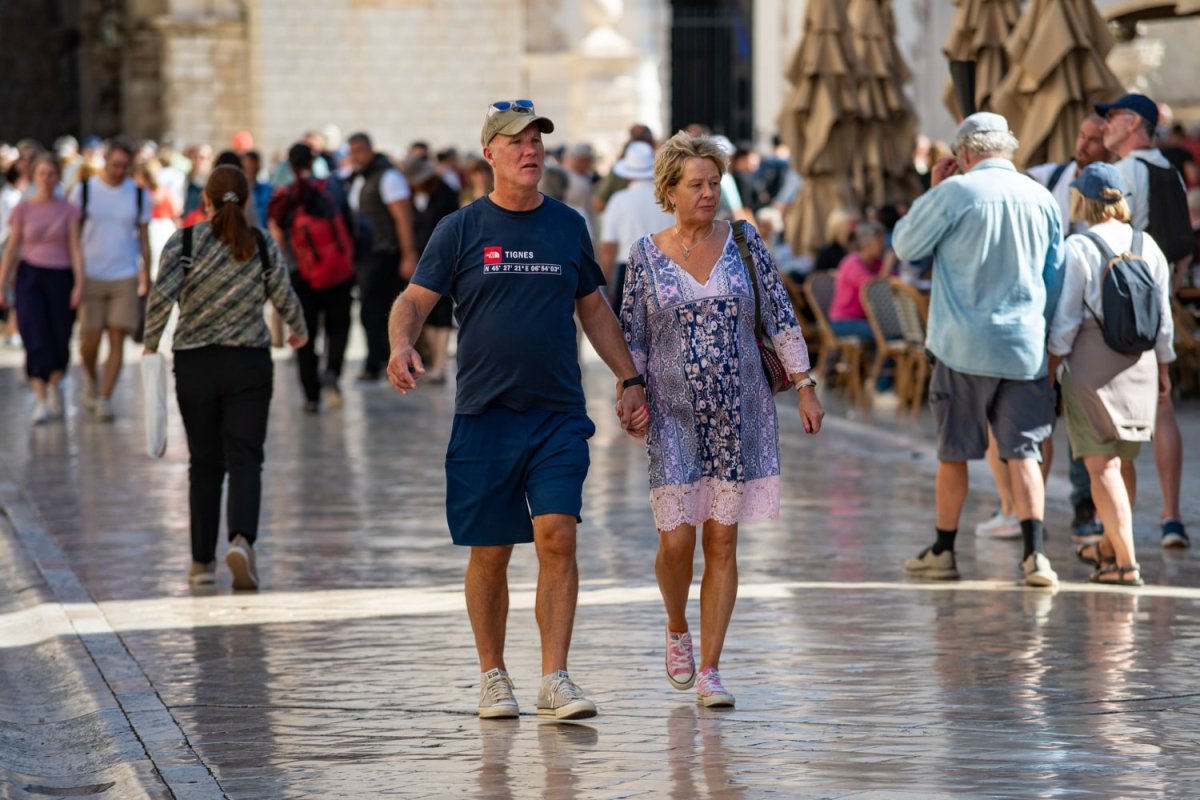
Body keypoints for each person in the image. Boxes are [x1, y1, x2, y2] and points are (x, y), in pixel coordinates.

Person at [385, 99, 647, 721]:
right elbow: (414, 300)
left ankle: (555, 677)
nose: (530, 150)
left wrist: (630, 378)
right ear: (490, 155)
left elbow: (595, 310)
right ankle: (493, 674)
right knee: (492, 550)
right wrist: (400, 343)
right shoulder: (461, 229)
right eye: (516, 141)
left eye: (537, 139)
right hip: (485, 414)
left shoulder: (568, 225)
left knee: (557, 535)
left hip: (556, 412)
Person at [620, 131, 823, 709]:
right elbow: (631, 332)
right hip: (673, 415)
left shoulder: (745, 241)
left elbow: (780, 314)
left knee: (722, 540)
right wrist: (629, 390)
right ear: (670, 191)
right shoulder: (645, 254)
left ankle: (710, 669)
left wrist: (804, 385)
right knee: (677, 542)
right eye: (697, 185)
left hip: (741, 412)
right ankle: (676, 625)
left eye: (714, 183)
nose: (709, 194)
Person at [892, 112, 1064, 587]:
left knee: (954, 454)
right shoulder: (1042, 198)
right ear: (1006, 148)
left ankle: (944, 551)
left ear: (963, 153)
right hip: (1024, 345)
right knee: (1024, 452)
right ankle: (1035, 556)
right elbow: (1056, 275)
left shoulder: (955, 193)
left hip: (962, 345)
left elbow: (906, 245)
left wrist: (932, 189)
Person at [143, 165, 307, 590]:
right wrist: (299, 329)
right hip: (248, 363)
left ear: (206, 201)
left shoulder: (185, 243)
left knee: (204, 462)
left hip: (195, 364)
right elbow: (284, 296)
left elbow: (161, 299)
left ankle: (201, 563)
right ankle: (241, 540)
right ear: (248, 200)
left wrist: (148, 345)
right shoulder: (261, 245)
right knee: (246, 457)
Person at [1048, 163, 1175, 585]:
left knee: (1101, 466)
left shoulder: (1079, 246)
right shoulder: (1148, 244)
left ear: (1082, 199)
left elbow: (1066, 321)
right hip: (1140, 363)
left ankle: (1126, 561)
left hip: (1092, 365)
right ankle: (1108, 548)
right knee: (1123, 464)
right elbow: (1165, 318)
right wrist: (1164, 367)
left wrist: (1051, 367)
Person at [1097, 92, 1191, 549]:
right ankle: (1171, 516)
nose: (1104, 127)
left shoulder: (1124, 172)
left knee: (1119, 418)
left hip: (1123, 305)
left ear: (1133, 121)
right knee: (1163, 407)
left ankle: (1121, 524)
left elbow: (1108, 236)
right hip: (1162, 301)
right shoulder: (1169, 170)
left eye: (1111, 118)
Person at [267, 143, 355, 412]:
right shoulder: (331, 188)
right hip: (337, 271)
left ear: (290, 164)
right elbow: (350, 223)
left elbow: (277, 238)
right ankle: (332, 371)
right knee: (338, 326)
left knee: (304, 334)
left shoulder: (283, 197)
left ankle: (311, 396)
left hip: (301, 275)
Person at [70, 139, 152, 422]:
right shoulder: (85, 191)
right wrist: (76, 274)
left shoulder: (138, 195)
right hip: (91, 273)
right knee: (89, 340)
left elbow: (143, 237)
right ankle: (91, 379)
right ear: (105, 161)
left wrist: (147, 274)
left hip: (125, 274)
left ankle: (105, 398)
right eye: (115, 165)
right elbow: (73, 235)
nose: (119, 171)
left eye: (124, 167)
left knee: (118, 337)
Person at [0, 155, 84, 424]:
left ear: (58, 177)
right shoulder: (23, 209)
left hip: (61, 276)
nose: (46, 179)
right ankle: (39, 398)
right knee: (34, 334)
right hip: (30, 276)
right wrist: (2, 282)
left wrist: (80, 283)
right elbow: (12, 248)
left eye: (51, 174)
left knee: (60, 336)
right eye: (42, 173)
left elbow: (74, 248)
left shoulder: (68, 209)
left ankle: (54, 385)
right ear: (34, 177)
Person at [347, 132, 418, 381]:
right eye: (352, 151)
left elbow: (403, 218)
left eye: (359, 151)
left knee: (385, 311)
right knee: (370, 311)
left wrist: (409, 255)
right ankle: (377, 360)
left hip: (386, 254)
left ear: (369, 150)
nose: (355, 156)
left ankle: (379, 362)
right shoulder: (361, 178)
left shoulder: (388, 177)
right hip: (367, 255)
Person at [403, 156, 460, 384]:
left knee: (443, 311)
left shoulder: (445, 192)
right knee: (425, 311)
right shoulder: (412, 195)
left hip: (444, 258)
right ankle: (432, 362)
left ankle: (439, 364)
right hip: (421, 258)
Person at [597, 141, 674, 307]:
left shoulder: (619, 200)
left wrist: (607, 286)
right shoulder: (668, 198)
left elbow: (608, 248)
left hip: (627, 270)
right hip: (664, 268)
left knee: (627, 329)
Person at [827, 221, 887, 342]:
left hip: (866, 319)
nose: (883, 245)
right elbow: (875, 290)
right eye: (879, 241)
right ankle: (882, 361)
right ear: (865, 243)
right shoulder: (852, 263)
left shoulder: (876, 262)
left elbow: (894, 283)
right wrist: (889, 265)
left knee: (896, 331)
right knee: (885, 334)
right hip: (844, 321)